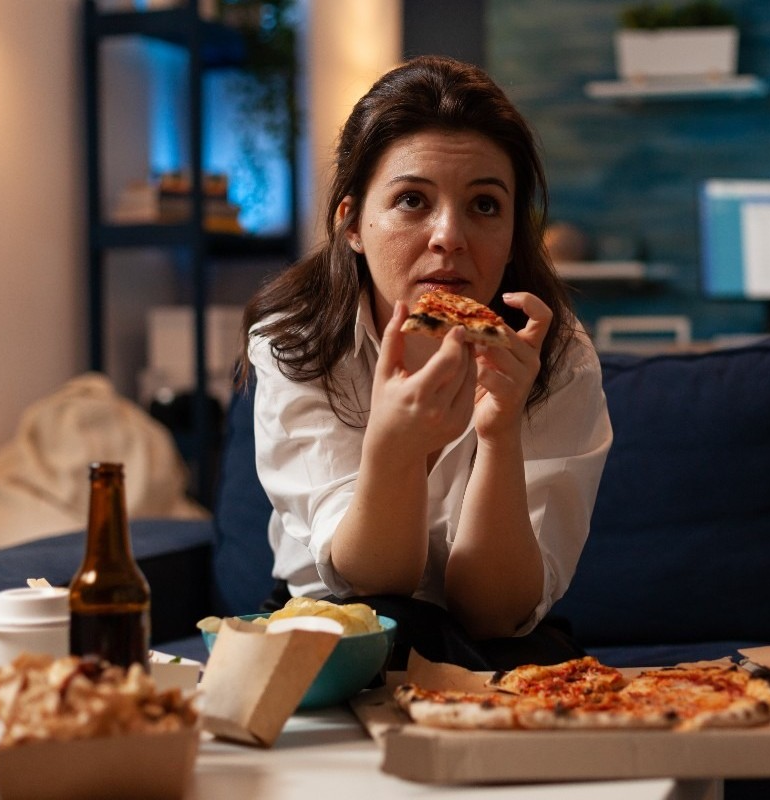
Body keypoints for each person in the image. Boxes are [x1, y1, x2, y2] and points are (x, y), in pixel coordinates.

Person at [236, 55, 612, 670]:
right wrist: (395, 444)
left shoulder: (558, 355)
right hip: (336, 626)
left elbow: (495, 615)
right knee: (397, 625)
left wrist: (499, 434)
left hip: (494, 643)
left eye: (485, 205)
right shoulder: (295, 342)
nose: (449, 237)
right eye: (412, 200)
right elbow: (372, 584)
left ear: (513, 234)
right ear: (352, 224)